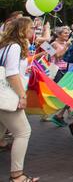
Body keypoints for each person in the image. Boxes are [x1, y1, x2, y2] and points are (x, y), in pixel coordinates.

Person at [0, 17, 40, 182]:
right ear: (23, 30)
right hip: (8, 96)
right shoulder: (15, 46)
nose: (33, 31)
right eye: (31, 28)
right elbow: (11, 74)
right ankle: (17, 175)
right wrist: (22, 96)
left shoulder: (5, 46)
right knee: (23, 132)